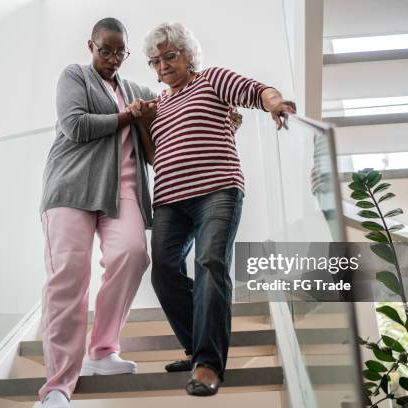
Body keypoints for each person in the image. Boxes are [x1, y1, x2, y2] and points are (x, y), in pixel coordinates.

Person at [137, 22, 296, 397]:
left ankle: (208, 363)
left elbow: (256, 91)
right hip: (170, 200)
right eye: (154, 62)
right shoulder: (159, 104)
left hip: (217, 192)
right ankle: (198, 347)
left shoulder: (212, 80)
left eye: (169, 56)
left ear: (189, 55)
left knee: (210, 262)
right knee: (162, 272)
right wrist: (144, 123)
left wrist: (274, 103)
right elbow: (154, 158)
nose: (162, 67)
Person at [37, 18, 157, 408]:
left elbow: (170, 114)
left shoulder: (136, 90)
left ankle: (103, 349)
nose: (112, 59)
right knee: (69, 278)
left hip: (123, 190)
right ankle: (57, 385)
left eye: (120, 52)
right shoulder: (75, 76)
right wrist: (127, 117)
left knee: (133, 254)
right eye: (105, 50)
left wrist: (224, 116)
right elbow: (74, 125)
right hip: (71, 187)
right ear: (91, 45)